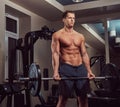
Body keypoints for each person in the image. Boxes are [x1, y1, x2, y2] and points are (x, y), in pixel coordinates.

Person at [51, 10, 95, 107]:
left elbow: (84, 54)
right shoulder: (57, 35)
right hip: (66, 68)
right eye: (70, 18)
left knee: (83, 99)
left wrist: (89, 70)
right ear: (64, 19)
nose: (72, 20)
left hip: (80, 68)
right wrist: (55, 72)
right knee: (63, 99)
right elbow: (55, 54)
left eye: (73, 18)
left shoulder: (80, 36)